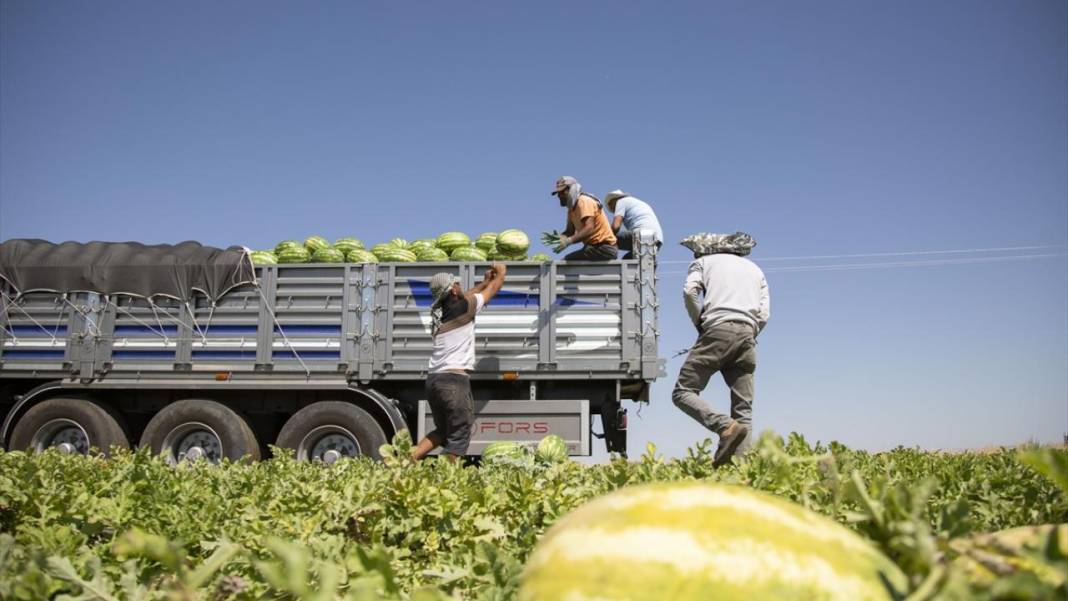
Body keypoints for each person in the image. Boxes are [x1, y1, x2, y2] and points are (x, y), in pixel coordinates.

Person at [671, 232, 769, 467]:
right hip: (748, 335)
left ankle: (724, 426)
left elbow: (690, 291)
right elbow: (764, 313)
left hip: (717, 330)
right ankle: (742, 472)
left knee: (683, 392)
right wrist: (749, 332)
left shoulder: (703, 262)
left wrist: (700, 323)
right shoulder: (755, 270)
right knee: (743, 409)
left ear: (707, 248)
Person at [411, 263, 508, 461]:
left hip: (434, 380)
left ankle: (408, 460)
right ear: (453, 290)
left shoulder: (442, 312)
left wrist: (483, 282)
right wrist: (501, 272)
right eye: (456, 283)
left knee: (444, 430)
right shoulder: (464, 307)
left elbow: (468, 294)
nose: (459, 285)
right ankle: (446, 479)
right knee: (459, 437)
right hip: (453, 380)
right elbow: (494, 289)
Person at [549, 176, 618, 261]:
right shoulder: (571, 209)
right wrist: (560, 238)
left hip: (605, 248)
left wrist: (568, 241)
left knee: (564, 263)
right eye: (558, 193)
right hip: (594, 248)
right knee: (565, 263)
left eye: (562, 192)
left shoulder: (584, 201)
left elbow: (589, 228)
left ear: (572, 189)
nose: (559, 195)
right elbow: (570, 231)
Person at [604, 189, 664, 259]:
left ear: (614, 200)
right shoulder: (636, 202)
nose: (612, 209)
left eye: (611, 205)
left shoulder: (621, 201)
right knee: (627, 262)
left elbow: (615, 226)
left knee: (604, 239)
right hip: (657, 239)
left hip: (642, 235)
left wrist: (604, 237)